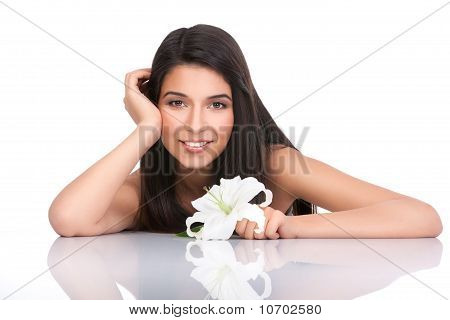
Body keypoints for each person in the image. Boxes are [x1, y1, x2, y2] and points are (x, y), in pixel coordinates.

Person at [48, 24, 443, 239]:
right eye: (176, 103)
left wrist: (288, 225)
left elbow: (421, 218)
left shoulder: (274, 165)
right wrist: (145, 129)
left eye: (217, 104)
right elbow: (69, 219)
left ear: (239, 109)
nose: (196, 124)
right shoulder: (144, 190)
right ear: (155, 105)